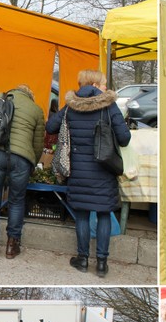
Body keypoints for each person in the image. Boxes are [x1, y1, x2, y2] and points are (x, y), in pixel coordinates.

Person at [46, 69, 131, 278]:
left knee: (82, 215)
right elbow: (124, 138)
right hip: (104, 169)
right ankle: (102, 263)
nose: (105, 87)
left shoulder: (71, 106)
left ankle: (82, 259)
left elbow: (50, 127)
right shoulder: (108, 106)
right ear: (94, 84)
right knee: (103, 213)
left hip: (79, 171)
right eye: (103, 83)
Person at [0, 84, 45, 260]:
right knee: (16, 201)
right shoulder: (36, 109)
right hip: (21, 158)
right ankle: (11, 245)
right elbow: (38, 144)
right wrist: (33, 162)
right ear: (29, 96)